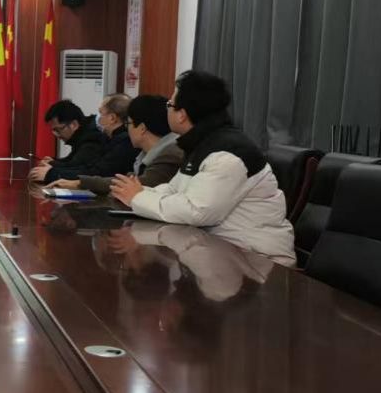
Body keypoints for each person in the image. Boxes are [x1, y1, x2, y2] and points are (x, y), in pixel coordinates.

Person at [109, 70, 295, 265]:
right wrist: (136, 192)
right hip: (223, 253)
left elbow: (197, 211)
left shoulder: (228, 154)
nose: (167, 110)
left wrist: (138, 197)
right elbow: (174, 190)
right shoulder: (203, 143)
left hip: (258, 262)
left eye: (169, 105)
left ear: (182, 115)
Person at [52, 94, 182, 195]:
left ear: (142, 128)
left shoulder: (169, 154)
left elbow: (137, 185)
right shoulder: (145, 154)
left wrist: (81, 183)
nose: (127, 128)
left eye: (128, 123)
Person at [42, 93, 137, 184]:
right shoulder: (111, 138)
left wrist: (52, 173)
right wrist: (53, 165)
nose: (97, 118)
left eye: (101, 113)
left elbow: (97, 172)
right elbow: (88, 166)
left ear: (112, 118)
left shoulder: (123, 142)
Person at [28, 99, 107, 183]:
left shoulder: (92, 139)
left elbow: (80, 169)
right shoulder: (82, 134)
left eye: (58, 130)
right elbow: (71, 160)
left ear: (74, 125)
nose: (56, 135)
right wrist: (53, 162)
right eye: (53, 131)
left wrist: (50, 173)